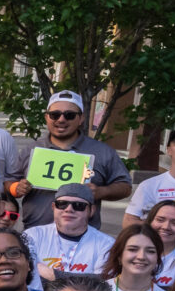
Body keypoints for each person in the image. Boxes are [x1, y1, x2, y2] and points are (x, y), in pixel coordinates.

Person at [13, 91, 132, 229]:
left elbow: (125, 187)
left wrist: (100, 191)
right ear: (47, 117)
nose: (61, 120)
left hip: (83, 239)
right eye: (55, 115)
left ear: (81, 119)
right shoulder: (31, 149)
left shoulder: (103, 152)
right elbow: (9, 180)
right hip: (35, 233)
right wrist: (17, 188)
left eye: (69, 115)